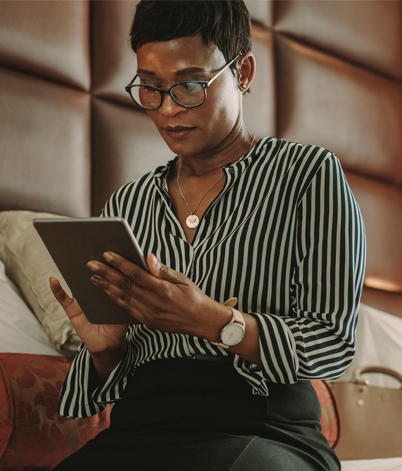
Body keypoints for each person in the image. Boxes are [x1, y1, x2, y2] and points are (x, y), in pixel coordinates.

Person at [51, 1, 365, 470]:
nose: (169, 108)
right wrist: (106, 349)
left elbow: (332, 343)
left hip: (265, 426)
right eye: (151, 88)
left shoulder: (308, 176)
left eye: (191, 84)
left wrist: (214, 321)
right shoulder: (126, 206)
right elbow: (107, 384)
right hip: (141, 429)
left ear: (243, 71)